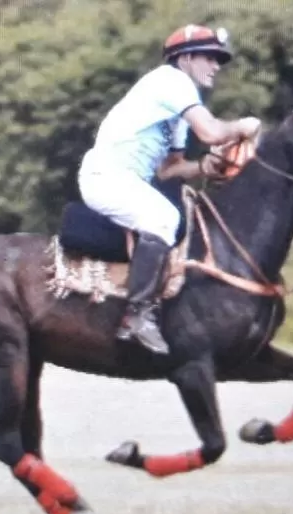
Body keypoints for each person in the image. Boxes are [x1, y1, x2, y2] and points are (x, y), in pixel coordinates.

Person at [77, 24, 263, 355]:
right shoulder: (170, 80)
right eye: (211, 57)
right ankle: (136, 316)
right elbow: (210, 132)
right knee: (163, 217)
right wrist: (242, 127)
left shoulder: (178, 110)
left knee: (167, 216)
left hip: (124, 178)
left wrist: (205, 167)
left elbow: (169, 170)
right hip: (107, 175)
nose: (217, 66)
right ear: (186, 57)